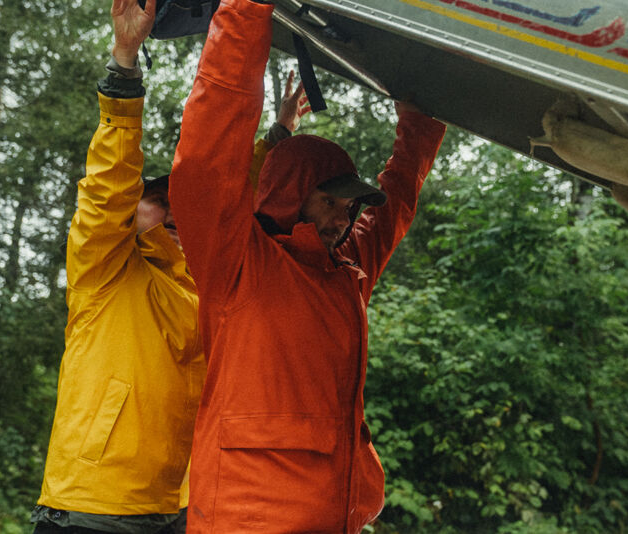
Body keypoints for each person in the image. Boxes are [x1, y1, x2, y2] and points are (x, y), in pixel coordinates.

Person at [168, 0, 447, 532]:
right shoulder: (236, 260)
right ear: (290, 193)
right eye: (330, 201)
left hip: (336, 516)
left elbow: (398, 199)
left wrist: (421, 121)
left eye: (349, 207)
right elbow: (208, 153)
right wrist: (246, 12)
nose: (344, 218)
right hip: (246, 520)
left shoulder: (345, 270)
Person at [31, 1, 309, 532]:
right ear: (132, 208)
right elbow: (111, 182)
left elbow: (221, 195)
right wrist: (124, 64)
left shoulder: (203, 282)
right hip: (93, 505)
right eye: (157, 197)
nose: (172, 207)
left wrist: (276, 138)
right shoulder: (103, 269)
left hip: (178, 505)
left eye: (176, 199)